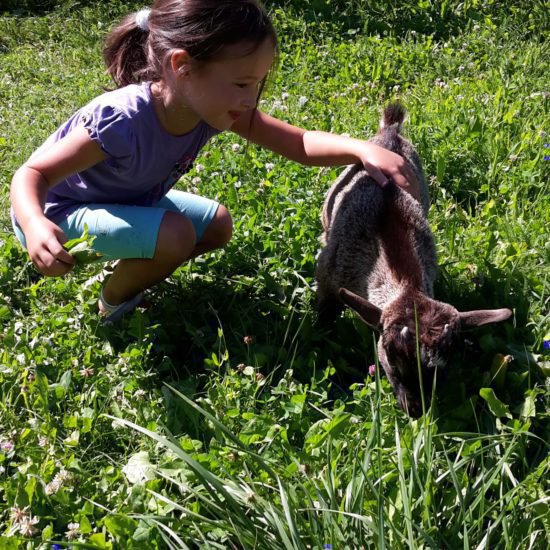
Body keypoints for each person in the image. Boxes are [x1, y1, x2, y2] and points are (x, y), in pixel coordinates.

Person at [10, 0, 419, 323]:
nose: (251, 98)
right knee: (175, 235)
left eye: (258, 83)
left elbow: (299, 143)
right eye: (242, 83)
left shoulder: (210, 107)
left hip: (131, 201)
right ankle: (114, 301)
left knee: (217, 225)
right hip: (57, 212)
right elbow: (31, 174)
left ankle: (141, 262)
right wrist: (33, 224)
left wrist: (362, 148)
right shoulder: (123, 120)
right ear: (182, 67)